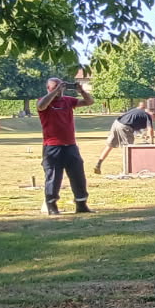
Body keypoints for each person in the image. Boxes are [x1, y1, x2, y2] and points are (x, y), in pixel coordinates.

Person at [37, 77, 94, 215]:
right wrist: (55, 92)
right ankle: (51, 205)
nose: (59, 90)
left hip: (70, 145)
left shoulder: (68, 101)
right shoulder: (43, 101)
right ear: (48, 88)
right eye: (55, 87)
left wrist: (82, 91)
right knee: (53, 176)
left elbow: (89, 102)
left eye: (61, 87)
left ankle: (81, 203)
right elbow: (41, 106)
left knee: (77, 174)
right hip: (52, 146)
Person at [93, 106, 155, 175]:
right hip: (125, 127)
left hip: (116, 123)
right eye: (154, 117)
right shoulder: (148, 116)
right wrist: (152, 142)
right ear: (152, 114)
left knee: (110, 146)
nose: (153, 120)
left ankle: (98, 164)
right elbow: (150, 130)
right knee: (128, 149)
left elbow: (134, 124)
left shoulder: (137, 111)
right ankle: (126, 170)